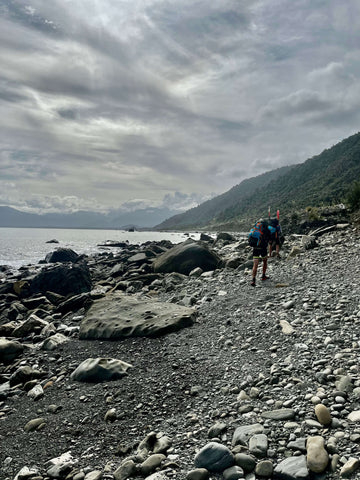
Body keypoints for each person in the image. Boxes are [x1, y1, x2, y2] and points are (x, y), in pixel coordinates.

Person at [250, 219, 272, 287]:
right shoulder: (267, 230)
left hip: (255, 249)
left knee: (255, 264)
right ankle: (263, 276)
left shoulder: (255, 230)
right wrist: (270, 253)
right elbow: (270, 242)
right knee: (265, 261)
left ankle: (253, 279)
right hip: (263, 249)